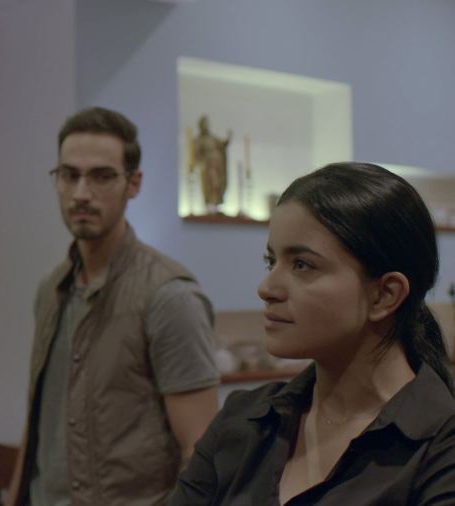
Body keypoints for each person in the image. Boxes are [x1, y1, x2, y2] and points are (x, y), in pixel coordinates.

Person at [170, 162, 455, 505]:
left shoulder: (440, 446)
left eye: (302, 265)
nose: (266, 288)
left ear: (385, 295)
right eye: (271, 262)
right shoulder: (244, 420)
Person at [8, 107, 220, 506]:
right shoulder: (51, 289)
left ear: (133, 183)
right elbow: (39, 422)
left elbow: (201, 452)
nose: (81, 193)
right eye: (69, 175)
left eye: (102, 176)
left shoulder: (169, 297)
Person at [189, 115, 231, 214]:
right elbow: (197, 154)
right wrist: (203, 162)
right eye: (204, 124)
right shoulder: (199, 140)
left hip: (217, 164)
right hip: (208, 166)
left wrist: (228, 138)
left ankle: (216, 203)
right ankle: (210, 204)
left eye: (207, 124)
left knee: (218, 184)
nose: (206, 126)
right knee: (211, 184)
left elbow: (222, 145)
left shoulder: (212, 138)